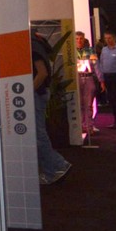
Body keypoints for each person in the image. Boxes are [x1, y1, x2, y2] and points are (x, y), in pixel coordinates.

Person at [31, 31, 72, 185]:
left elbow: (41, 73)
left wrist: (27, 93)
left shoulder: (32, 46)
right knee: (38, 133)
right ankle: (54, 167)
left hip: (37, 94)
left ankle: (55, 168)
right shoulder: (38, 43)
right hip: (40, 93)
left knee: (38, 134)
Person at [76, 31, 98, 139]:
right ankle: (80, 126)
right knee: (79, 104)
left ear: (84, 39)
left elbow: (96, 65)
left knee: (88, 104)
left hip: (88, 77)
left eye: (81, 38)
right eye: (77, 39)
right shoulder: (72, 51)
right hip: (77, 78)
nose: (79, 41)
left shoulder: (90, 51)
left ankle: (89, 126)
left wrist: (100, 79)